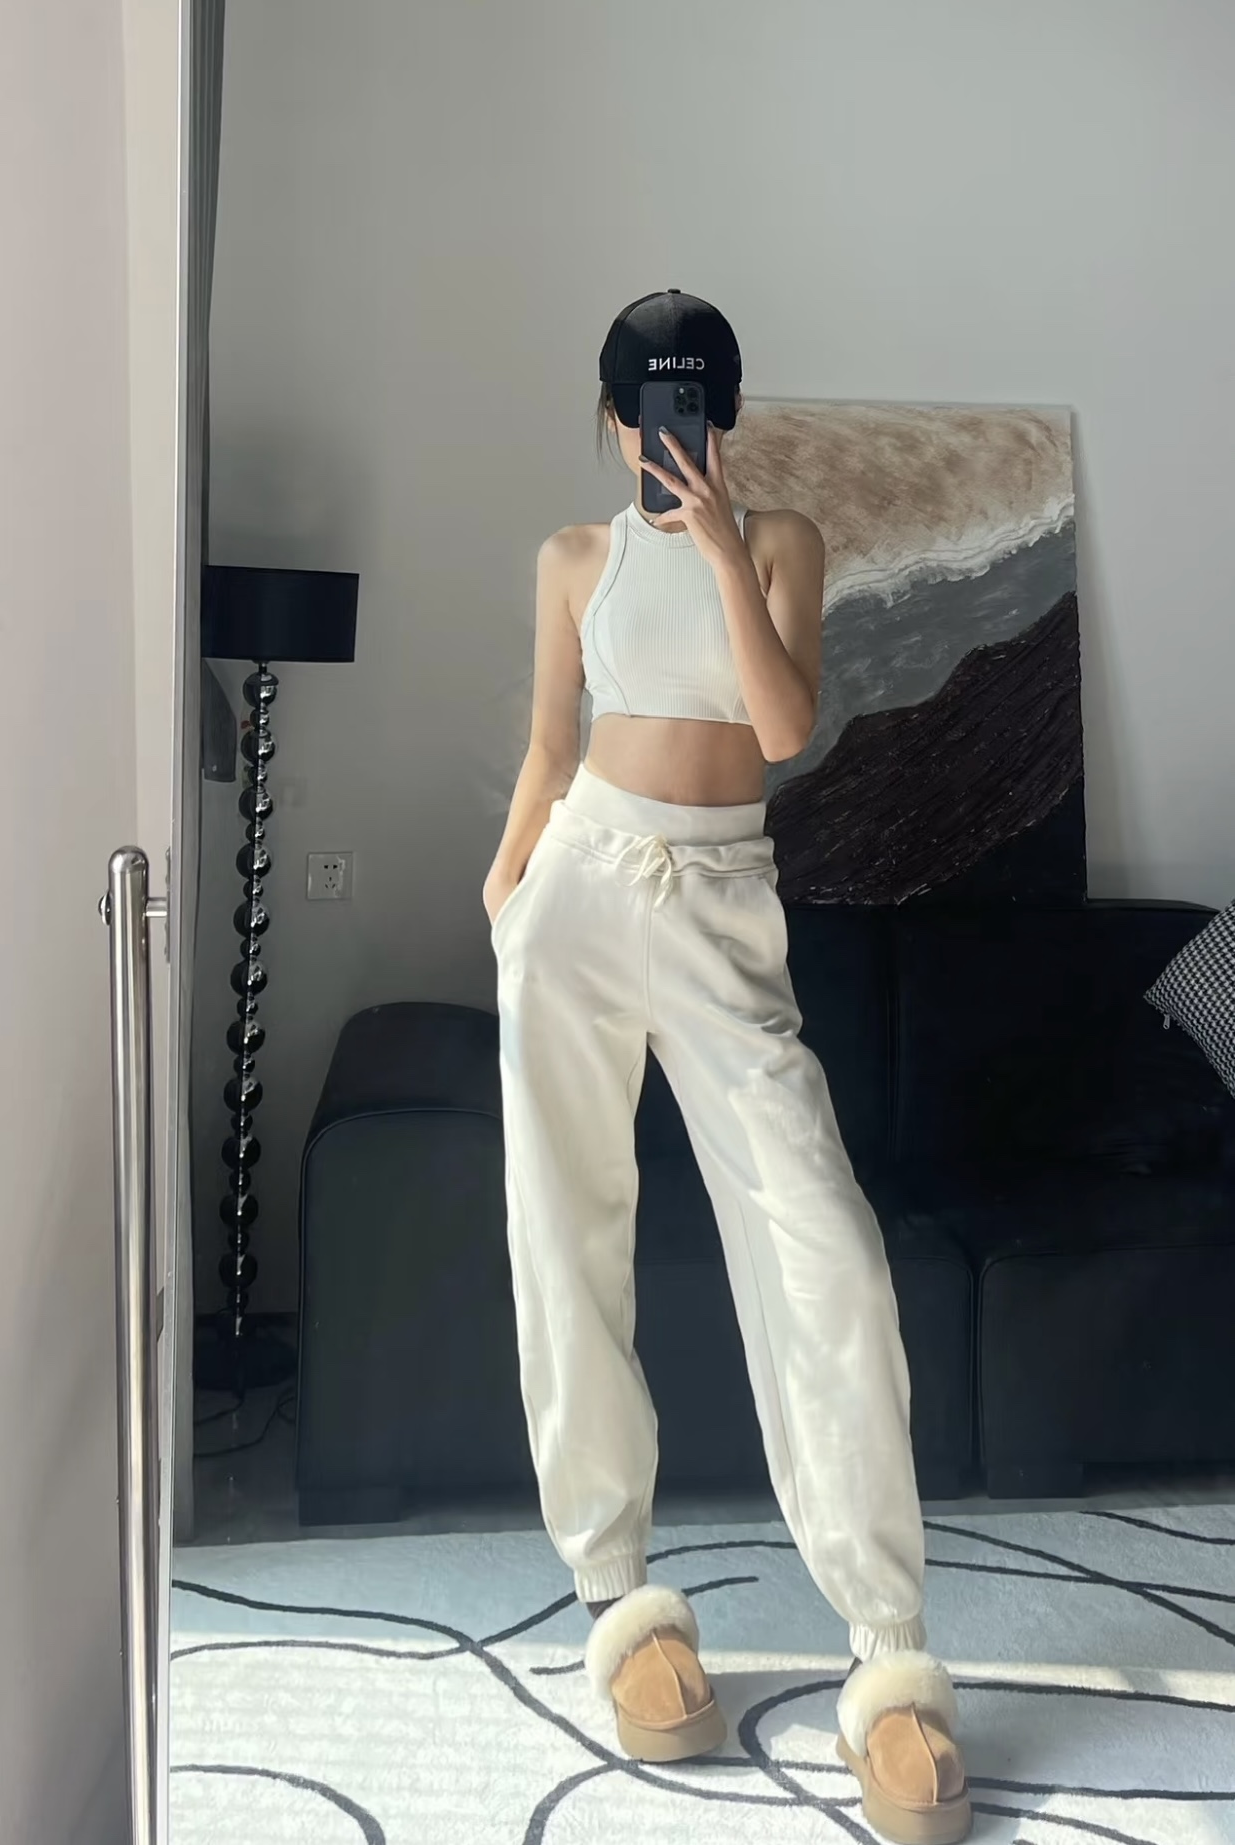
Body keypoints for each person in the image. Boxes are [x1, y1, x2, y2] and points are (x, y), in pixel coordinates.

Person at [483, 290, 971, 1845]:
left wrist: (712, 545)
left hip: (719, 912)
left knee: (824, 1245)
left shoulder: (780, 545)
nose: (667, 432)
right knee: (565, 1229)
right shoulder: (571, 559)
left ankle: (888, 1647)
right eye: (646, 407)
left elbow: (778, 725)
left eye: (692, 406)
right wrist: (503, 895)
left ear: (724, 415)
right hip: (579, 887)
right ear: (613, 417)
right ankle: (618, 1595)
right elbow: (550, 747)